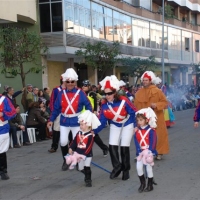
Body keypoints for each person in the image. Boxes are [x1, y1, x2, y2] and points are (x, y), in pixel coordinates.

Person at [47, 68, 92, 171]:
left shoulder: (80, 93)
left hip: (76, 122)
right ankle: (66, 160)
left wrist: (88, 119)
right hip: (64, 121)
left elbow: (88, 105)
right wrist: (51, 120)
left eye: (72, 81)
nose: (70, 84)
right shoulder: (61, 93)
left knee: (77, 142)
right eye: (68, 81)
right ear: (65, 82)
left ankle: (77, 160)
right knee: (63, 142)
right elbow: (56, 108)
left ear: (75, 82)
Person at [93, 75, 137, 181]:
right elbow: (102, 121)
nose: (107, 96)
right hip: (114, 125)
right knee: (112, 146)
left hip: (127, 124)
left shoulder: (124, 100)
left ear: (115, 92)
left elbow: (134, 113)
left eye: (109, 93)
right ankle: (117, 168)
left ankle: (126, 170)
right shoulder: (104, 105)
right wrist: (93, 131)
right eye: (105, 93)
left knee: (124, 147)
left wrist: (136, 126)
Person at [134, 71, 169, 160]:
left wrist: (156, 105)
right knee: (143, 135)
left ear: (150, 81)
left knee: (158, 135)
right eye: (144, 80)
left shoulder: (157, 91)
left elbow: (165, 103)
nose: (145, 82)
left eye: (146, 80)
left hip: (157, 117)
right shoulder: (138, 93)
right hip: (143, 119)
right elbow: (135, 106)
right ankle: (142, 153)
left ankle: (159, 152)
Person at [68, 110, 101, 187]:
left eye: (82, 124)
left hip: (87, 154)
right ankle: (87, 173)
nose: (80, 126)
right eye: (80, 124)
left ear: (88, 125)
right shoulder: (79, 133)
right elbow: (74, 142)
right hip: (78, 153)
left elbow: (89, 146)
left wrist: (85, 154)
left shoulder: (90, 135)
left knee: (87, 166)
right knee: (80, 168)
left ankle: (88, 179)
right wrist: (71, 148)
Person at [82, 80, 109, 157]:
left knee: (92, 134)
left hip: (89, 116)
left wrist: (93, 113)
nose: (84, 87)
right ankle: (102, 148)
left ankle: (102, 149)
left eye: (86, 85)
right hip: (82, 116)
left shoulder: (92, 94)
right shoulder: (81, 94)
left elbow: (94, 104)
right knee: (88, 134)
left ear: (89, 86)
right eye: (83, 85)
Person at [134, 107, 157, 193]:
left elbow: (153, 141)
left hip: (148, 152)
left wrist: (150, 151)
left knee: (148, 168)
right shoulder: (137, 131)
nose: (139, 122)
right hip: (140, 152)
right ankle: (142, 183)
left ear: (147, 120)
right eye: (138, 120)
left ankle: (150, 185)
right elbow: (136, 142)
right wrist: (138, 151)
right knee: (138, 168)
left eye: (141, 120)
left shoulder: (151, 130)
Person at [48, 77, 66, 153]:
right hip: (58, 112)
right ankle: (54, 146)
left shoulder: (71, 90)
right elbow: (52, 101)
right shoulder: (56, 90)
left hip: (68, 112)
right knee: (56, 129)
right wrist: (53, 112)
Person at [0, 94, 16, 180]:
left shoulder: (4, 99)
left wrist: (3, 114)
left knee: (1, 150)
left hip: (2, 128)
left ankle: (3, 171)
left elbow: (13, 112)